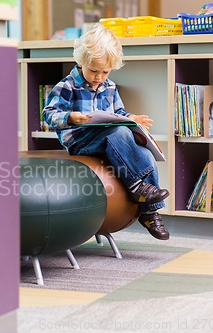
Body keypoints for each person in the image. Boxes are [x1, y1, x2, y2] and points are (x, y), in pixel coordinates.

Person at [42, 23, 170, 240]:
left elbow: (117, 112)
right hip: (81, 142)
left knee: (142, 150)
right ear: (81, 61)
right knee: (118, 133)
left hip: (108, 139)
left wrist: (130, 119)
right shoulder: (67, 86)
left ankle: (150, 212)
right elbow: (48, 114)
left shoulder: (109, 87)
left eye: (105, 71)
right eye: (93, 70)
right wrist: (70, 117)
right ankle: (138, 186)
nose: (99, 77)